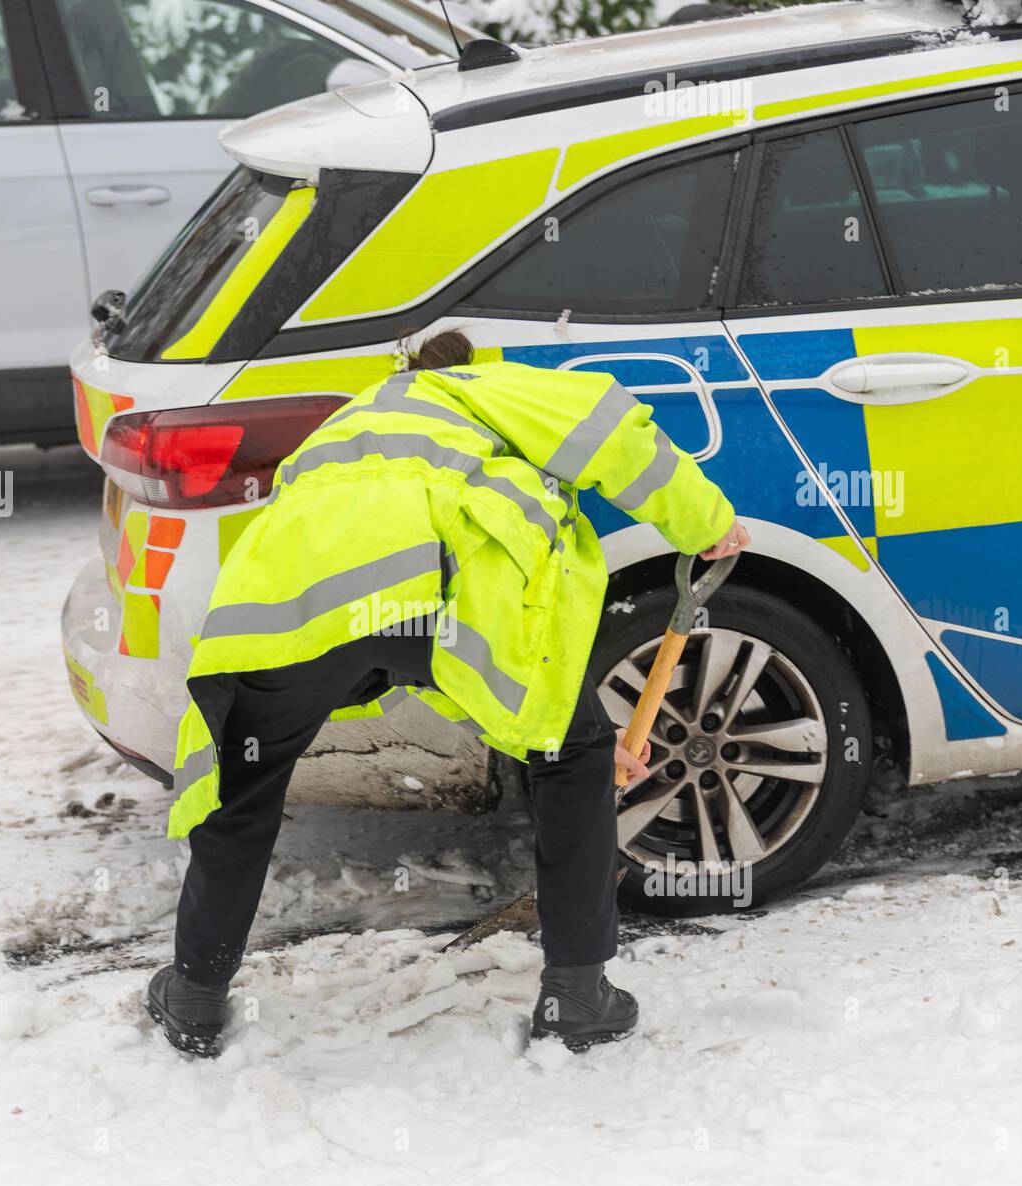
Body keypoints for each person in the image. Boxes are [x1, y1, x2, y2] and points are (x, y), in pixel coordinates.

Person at [146, 329, 749, 1057]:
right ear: (466, 368)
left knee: (241, 780)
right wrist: (708, 524)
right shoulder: (484, 389)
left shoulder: (350, 420)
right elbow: (615, 435)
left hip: (297, 600)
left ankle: (196, 995)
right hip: (451, 583)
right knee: (571, 758)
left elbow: (372, 594)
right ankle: (576, 995)